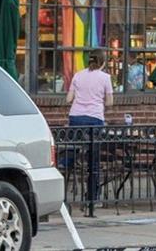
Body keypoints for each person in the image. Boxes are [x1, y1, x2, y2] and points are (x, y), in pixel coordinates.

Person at [64, 51, 114, 206]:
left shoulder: (78, 75)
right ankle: (92, 197)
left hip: (76, 118)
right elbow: (110, 102)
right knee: (93, 159)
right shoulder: (105, 78)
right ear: (103, 63)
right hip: (94, 119)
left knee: (71, 153)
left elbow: (68, 99)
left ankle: (63, 189)